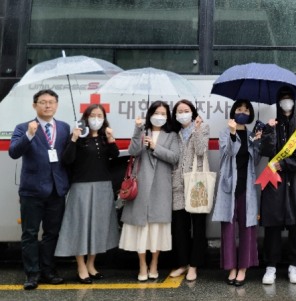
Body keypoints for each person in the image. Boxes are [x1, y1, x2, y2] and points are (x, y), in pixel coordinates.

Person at [9, 89, 70, 290]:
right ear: (35, 105)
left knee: (52, 233)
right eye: (42, 102)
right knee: (30, 233)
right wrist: (29, 135)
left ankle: (48, 270)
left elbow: (67, 157)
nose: (47, 105)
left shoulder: (63, 128)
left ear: (57, 105)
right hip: (32, 191)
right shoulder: (23, 127)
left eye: (51, 102)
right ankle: (32, 274)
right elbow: (13, 153)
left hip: (56, 190)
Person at [55, 104, 120, 284]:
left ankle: (91, 264)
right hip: (81, 186)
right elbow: (67, 159)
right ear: (86, 117)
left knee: (98, 227)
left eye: (100, 115)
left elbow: (114, 156)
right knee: (80, 226)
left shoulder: (104, 137)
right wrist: (74, 139)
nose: (96, 119)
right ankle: (81, 266)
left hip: (103, 186)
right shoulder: (78, 136)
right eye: (93, 115)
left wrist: (111, 138)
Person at [258, 88, 296, 285]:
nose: (286, 102)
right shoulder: (270, 126)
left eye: (289, 98)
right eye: (282, 99)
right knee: (273, 225)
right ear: (277, 102)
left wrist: (284, 164)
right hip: (275, 181)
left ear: (294, 102)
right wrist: (270, 132)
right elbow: (265, 152)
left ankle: (294, 266)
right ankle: (271, 266)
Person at [119, 101, 180, 281]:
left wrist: (155, 147)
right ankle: (142, 265)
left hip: (161, 188)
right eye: (156, 113)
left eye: (163, 113)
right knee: (141, 228)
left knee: (157, 228)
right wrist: (138, 130)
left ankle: (154, 263)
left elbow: (174, 157)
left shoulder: (172, 136)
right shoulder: (143, 131)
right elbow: (133, 151)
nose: (159, 116)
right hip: (141, 187)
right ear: (150, 114)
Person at [212, 99, 261, 287]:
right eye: (239, 109)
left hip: (246, 186)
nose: (243, 112)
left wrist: (256, 143)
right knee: (229, 229)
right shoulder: (224, 133)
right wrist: (233, 133)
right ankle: (231, 267)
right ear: (234, 112)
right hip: (229, 187)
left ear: (250, 115)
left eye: (246, 110)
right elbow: (228, 153)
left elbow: (255, 160)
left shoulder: (250, 135)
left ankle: (243, 268)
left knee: (247, 228)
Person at [169, 99, 209, 281]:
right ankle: (183, 263)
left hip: (196, 184)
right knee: (180, 228)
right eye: (179, 111)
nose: (183, 113)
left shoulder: (202, 128)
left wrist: (198, 130)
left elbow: (201, 151)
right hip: (177, 185)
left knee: (198, 226)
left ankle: (194, 265)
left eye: (186, 110)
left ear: (192, 112)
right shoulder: (174, 134)